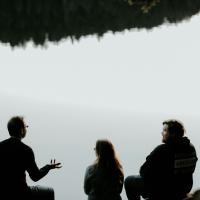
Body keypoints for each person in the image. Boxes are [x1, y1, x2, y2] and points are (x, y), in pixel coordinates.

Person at [125, 119, 198, 200]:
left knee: (129, 181)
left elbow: (143, 171)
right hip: (184, 188)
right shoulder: (191, 147)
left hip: (165, 190)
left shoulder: (163, 150)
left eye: (165, 130)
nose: (162, 133)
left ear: (173, 134)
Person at [0, 116, 62, 200]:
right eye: (26, 127)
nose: (26, 129)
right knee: (49, 192)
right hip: (21, 192)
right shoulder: (26, 150)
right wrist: (48, 167)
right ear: (21, 130)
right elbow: (35, 177)